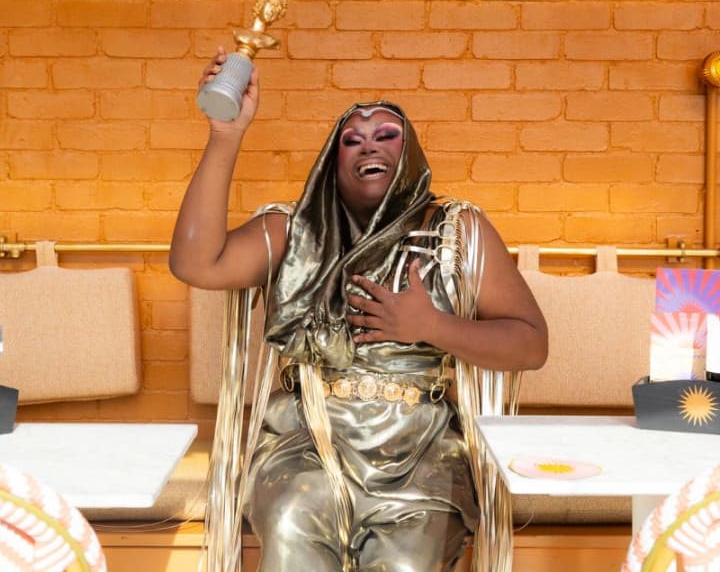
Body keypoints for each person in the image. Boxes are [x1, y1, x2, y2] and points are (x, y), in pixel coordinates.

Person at [170, 48, 548, 572]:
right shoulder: (293, 229)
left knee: (407, 559)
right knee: (291, 524)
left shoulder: (458, 230)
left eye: (386, 135)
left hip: (423, 449)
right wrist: (225, 134)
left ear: (409, 154)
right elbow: (196, 264)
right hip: (307, 439)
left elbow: (530, 344)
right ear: (333, 161)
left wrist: (431, 325)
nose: (368, 144)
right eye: (352, 139)